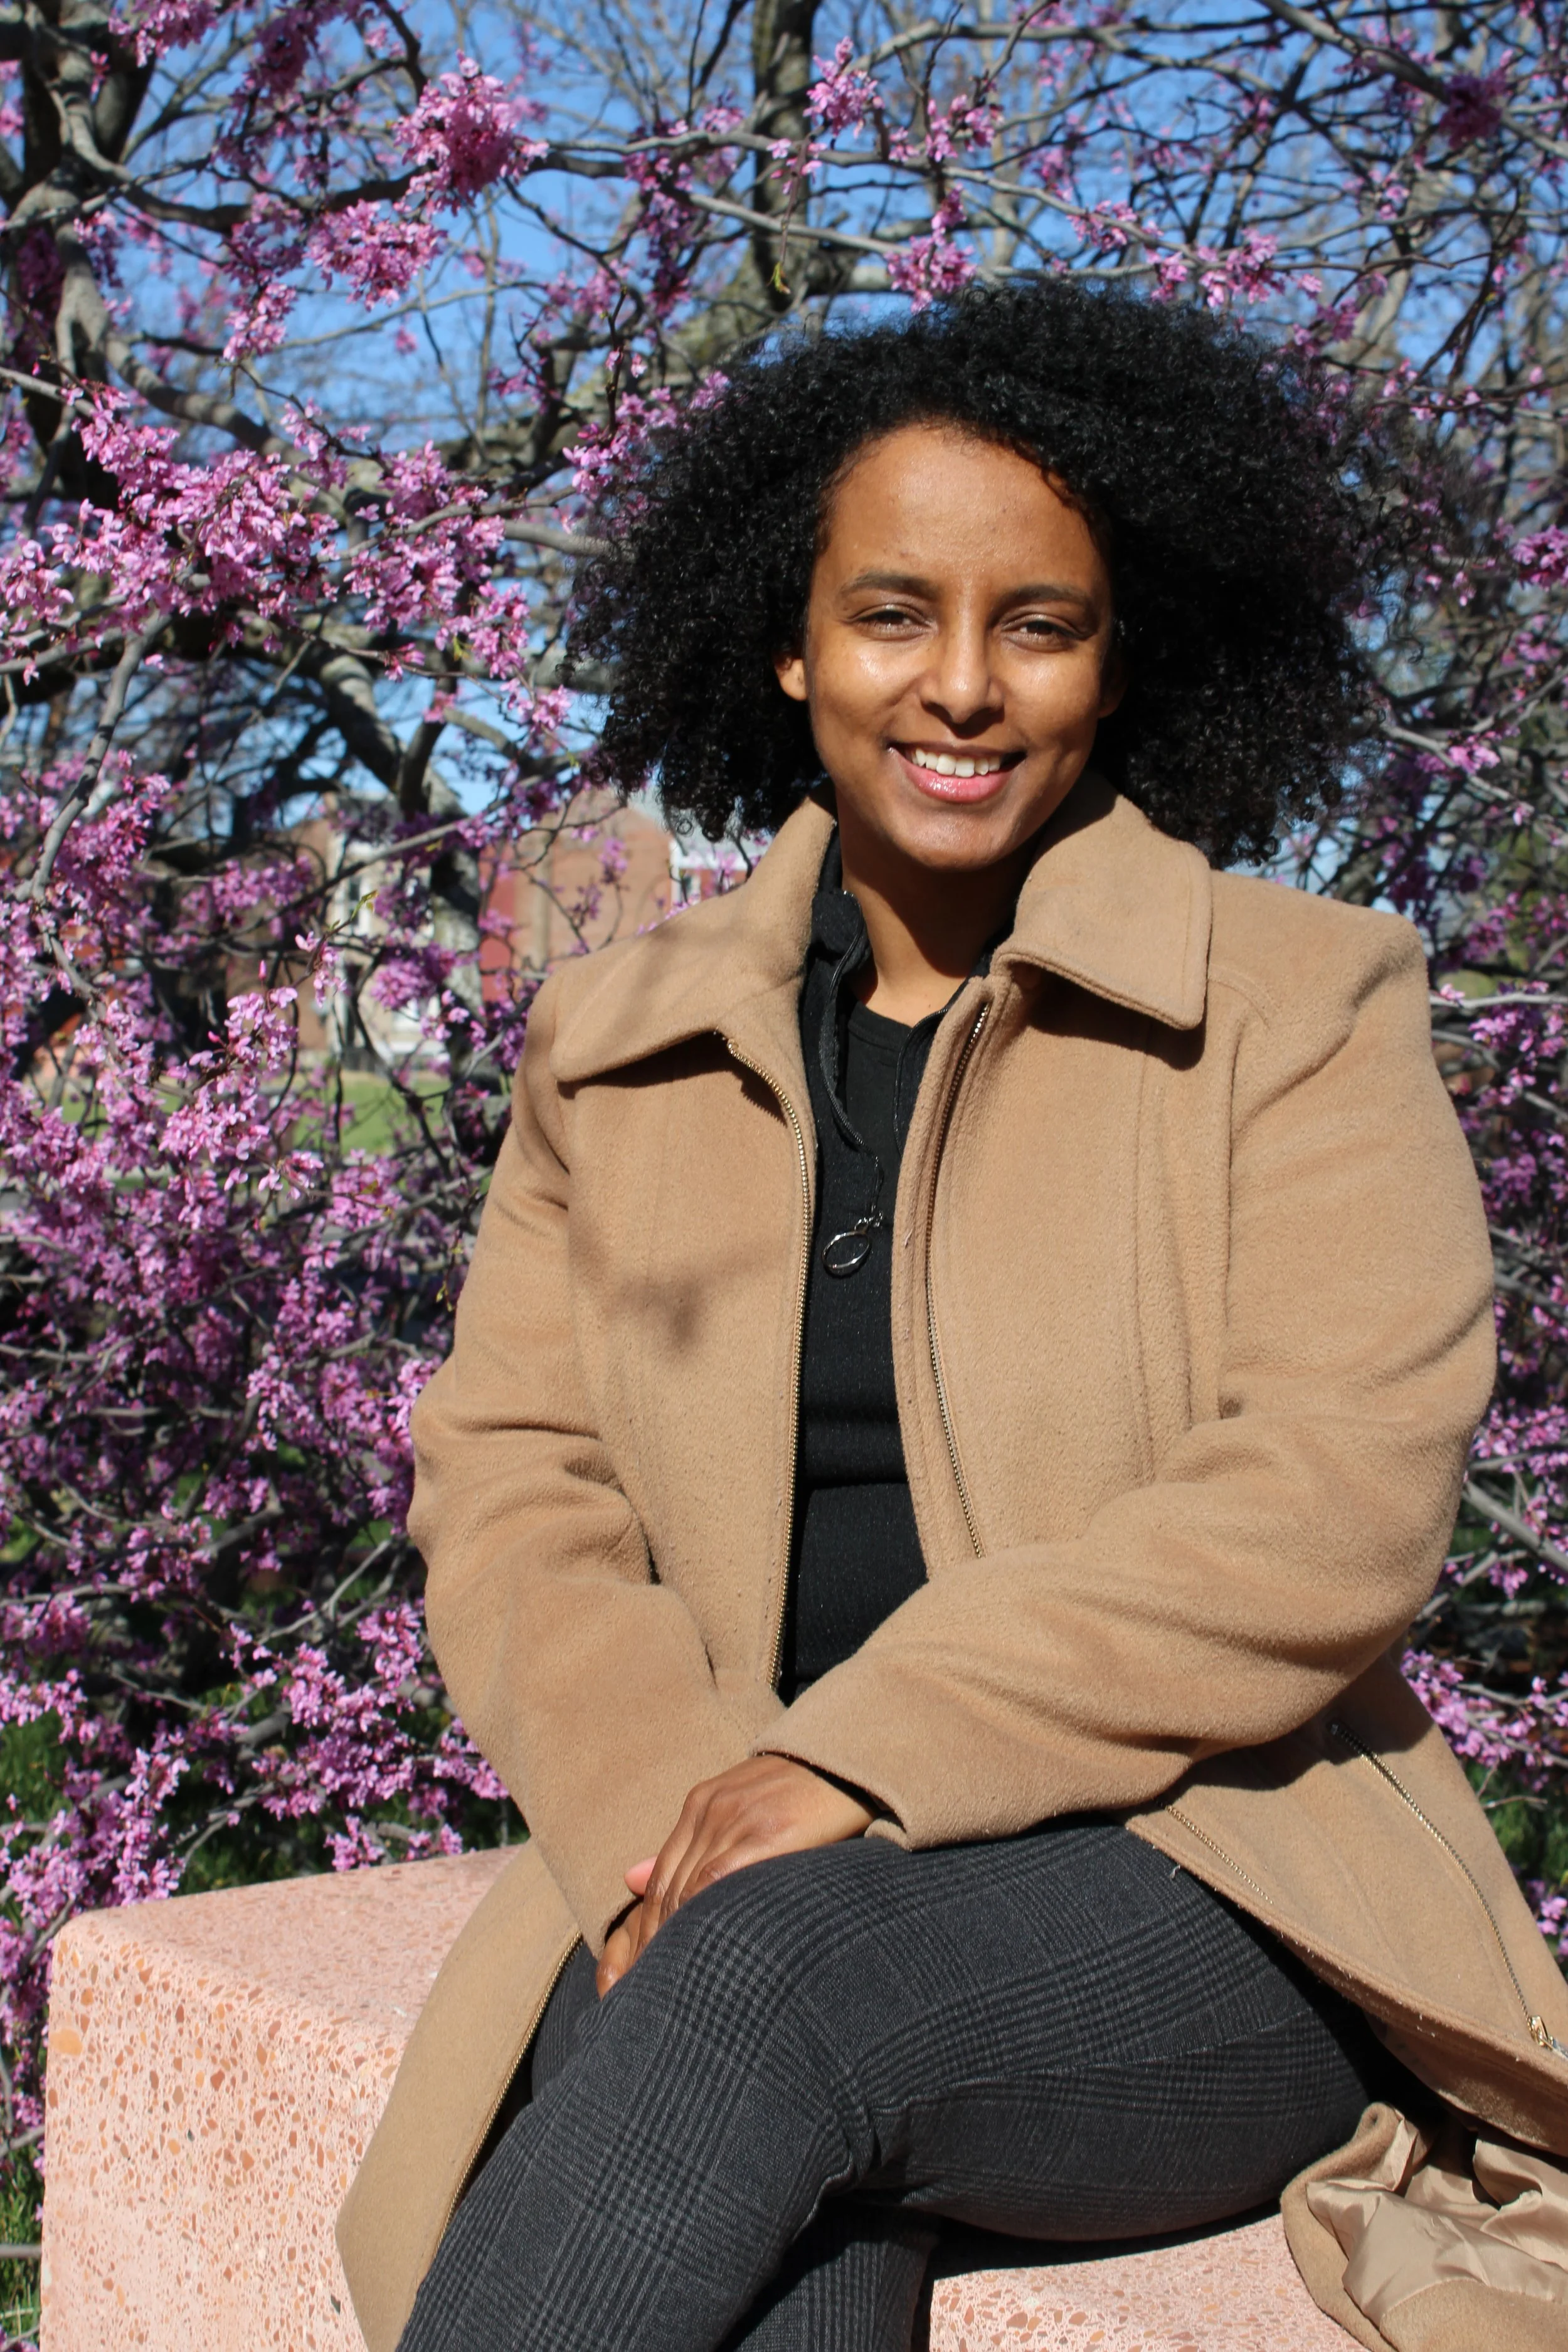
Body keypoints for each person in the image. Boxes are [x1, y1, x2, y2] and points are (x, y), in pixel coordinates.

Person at [338, 282, 1568, 2352]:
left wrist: (860, 1760)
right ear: (792, 639)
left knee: (769, 1991)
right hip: (721, 1860)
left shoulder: (1295, 1005)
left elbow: (1334, 1490)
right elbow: (513, 1468)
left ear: (1121, 656)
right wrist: (680, 1809)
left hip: (1213, 1890)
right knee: (787, 2219)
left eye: (1042, 622)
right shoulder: (618, 1040)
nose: (966, 687)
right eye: (897, 612)